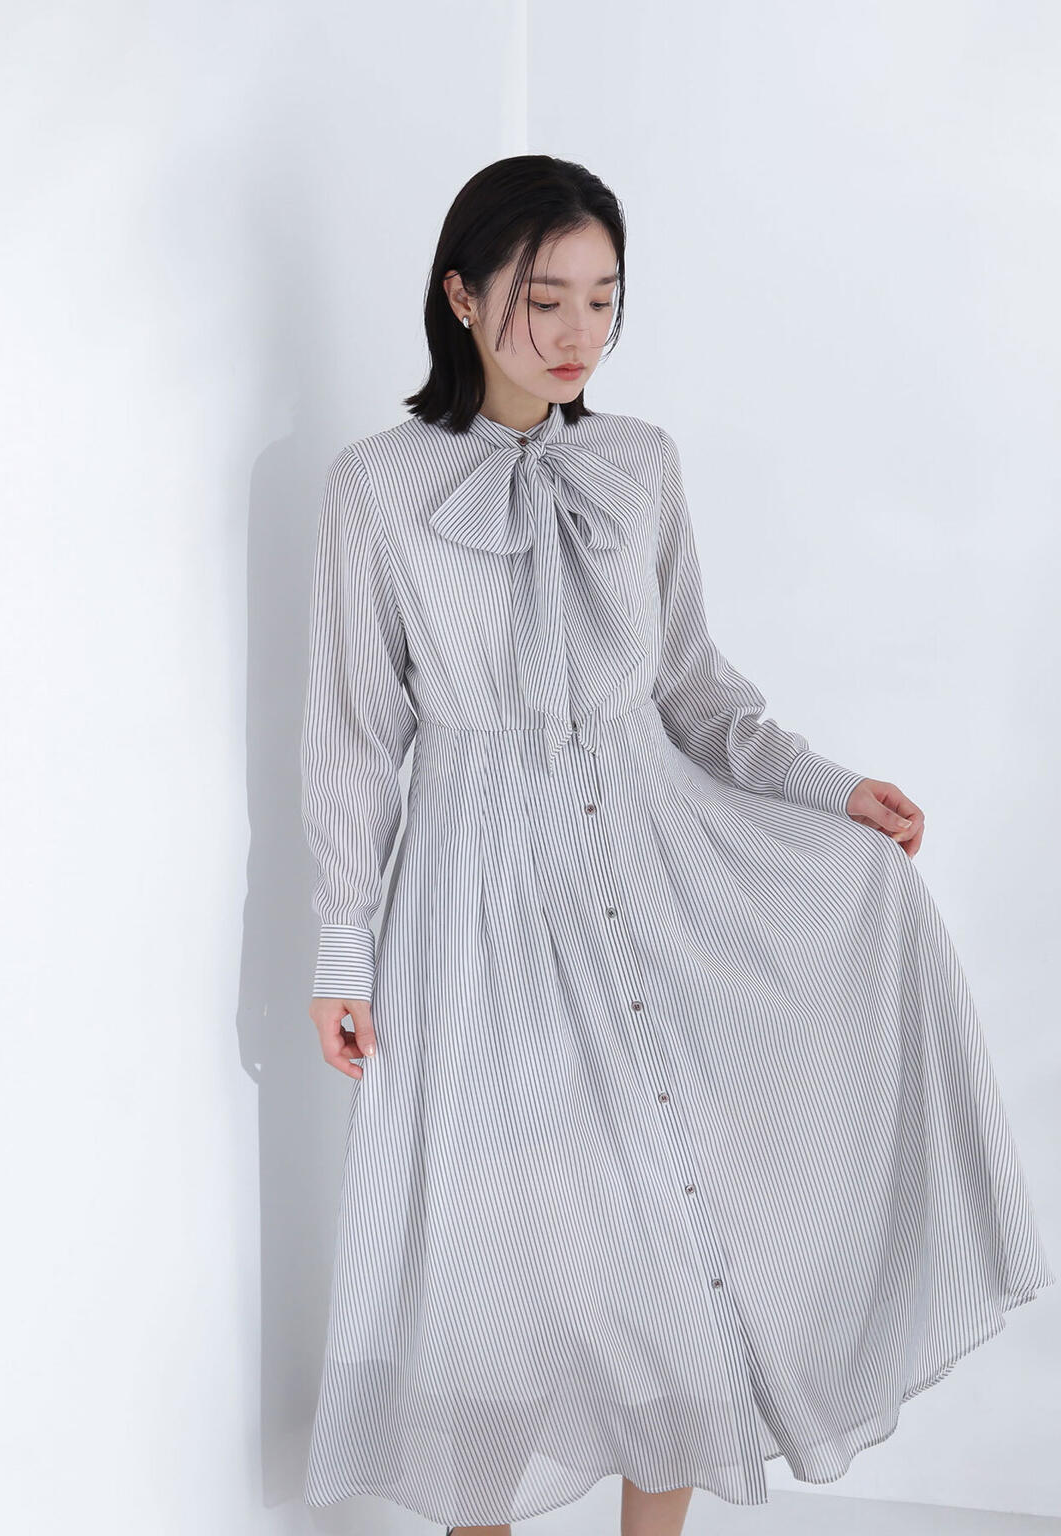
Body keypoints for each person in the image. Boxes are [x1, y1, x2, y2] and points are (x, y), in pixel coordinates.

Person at [297, 155, 1054, 1536]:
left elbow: (695, 692)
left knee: (664, 1254)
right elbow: (356, 741)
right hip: (476, 926)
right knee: (494, 1275)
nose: (578, 333)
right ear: (461, 297)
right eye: (544, 299)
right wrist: (343, 952)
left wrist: (831, 790)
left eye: (604, 299)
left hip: (657, 887)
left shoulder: (639, 464)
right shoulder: (378, 490)